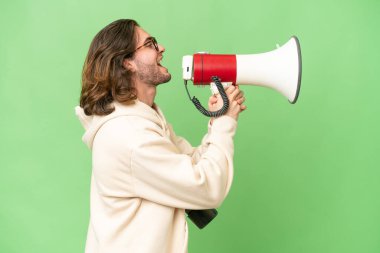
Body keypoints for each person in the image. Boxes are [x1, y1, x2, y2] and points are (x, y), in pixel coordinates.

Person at [75, 19, 246, 253]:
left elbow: (191, 163)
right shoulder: (131, 136)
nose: (162, 48)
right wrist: (225, 123)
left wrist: (218, 119)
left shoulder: (144, 120)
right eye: (150, 44)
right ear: (127, 62)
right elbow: (207, 187)